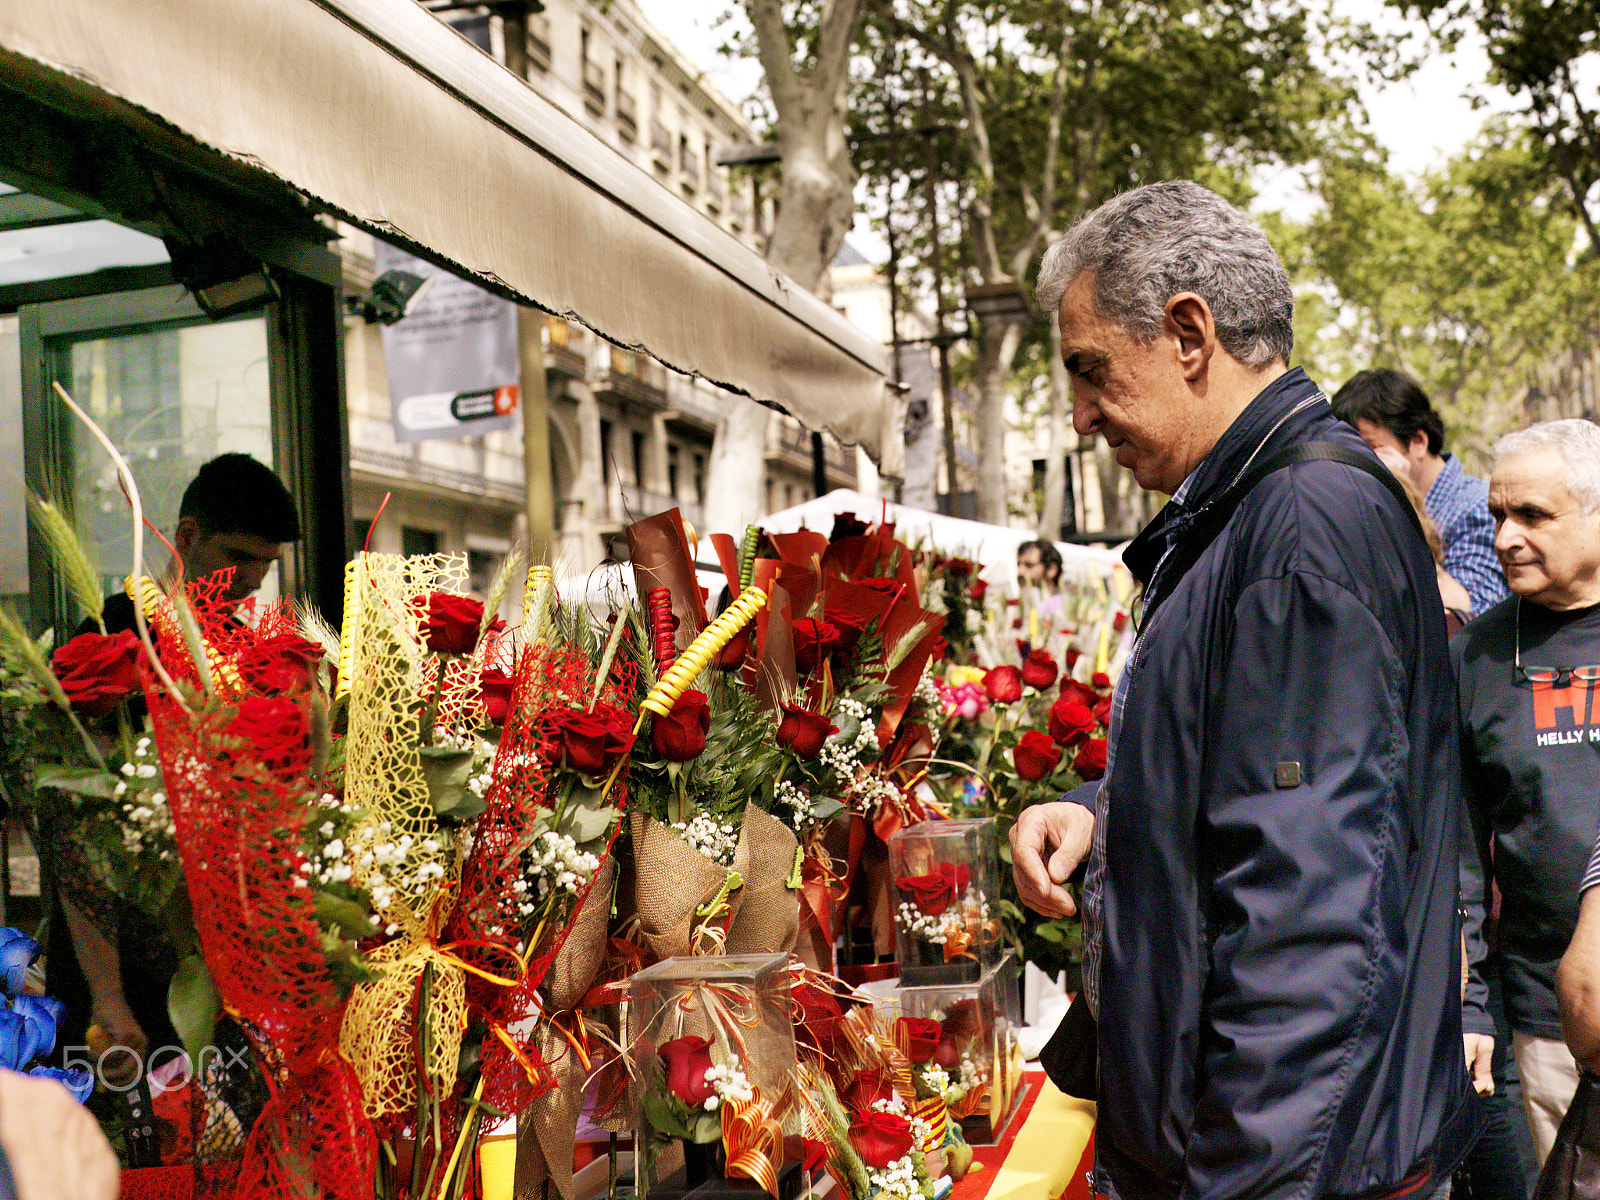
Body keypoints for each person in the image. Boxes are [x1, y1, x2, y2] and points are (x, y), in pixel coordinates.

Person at [1011, 180, 1480, 1199]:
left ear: (1188, 333)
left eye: (1090, 372)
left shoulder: (1298, 522)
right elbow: (1260, 796)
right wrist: (1103, 811)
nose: (1081, 414)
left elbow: (1309, 924)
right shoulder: (1259, 512)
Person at [48, 452, 299, 1082]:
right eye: (239, 558)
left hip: (228, 980)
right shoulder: (108, 643)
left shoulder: (250, 655)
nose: (250, 582)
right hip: (127, 988)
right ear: (185, 538)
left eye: (264, 566)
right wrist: (108, 998)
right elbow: (77, 835)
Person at [1457, 419, 1600, 1168]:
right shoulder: (1474, 656)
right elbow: (1456, 859)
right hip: (1548, 1028)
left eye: (1534, 515)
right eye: (1496, 516)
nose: (1507, 536)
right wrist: (1470, 1000)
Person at [1332, 368, 1509, 617]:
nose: (1361, 462)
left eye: (1372, 447)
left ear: (1418, 442)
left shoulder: (1477, 508)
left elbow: (1477, 616)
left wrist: (1398, 492)